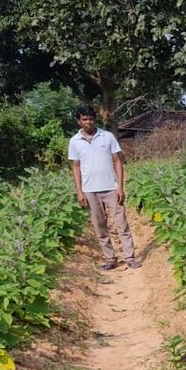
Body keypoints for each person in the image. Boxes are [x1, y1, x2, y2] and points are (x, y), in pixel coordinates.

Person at [68, 105, 140, 270]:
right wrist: (79, 192)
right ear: (79, 121)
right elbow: (76, 167)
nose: (88, 122)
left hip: (111, 188)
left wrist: (120, 187)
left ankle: (130, 258)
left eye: (91, 119)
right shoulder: (74, 141)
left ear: (95, 119)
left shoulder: (107, 137)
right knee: (100, 226)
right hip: (90, 190)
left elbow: (117, 162)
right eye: (84, 119)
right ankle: (110, 259)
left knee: (122, 223)